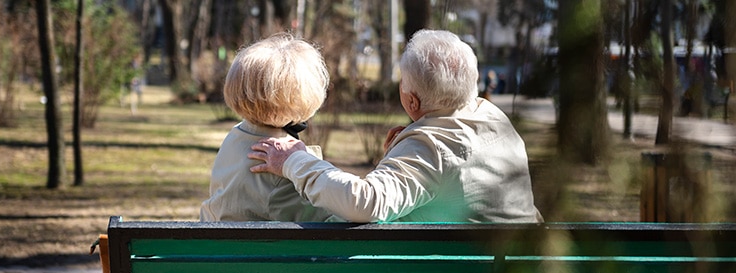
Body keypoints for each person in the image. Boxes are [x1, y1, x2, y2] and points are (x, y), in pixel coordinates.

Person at [248, 29, 543, 223]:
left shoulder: (430, 148)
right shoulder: (495, 119)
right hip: (514, 271)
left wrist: (294, 161)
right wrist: (399, 156)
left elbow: (364, 204)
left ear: (412, 101)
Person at [200, 32, 336, 222]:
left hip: (217, 245)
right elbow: (325, 222)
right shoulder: (280, 160)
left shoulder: (237, 135)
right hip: (259, 250)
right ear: (304, 96)